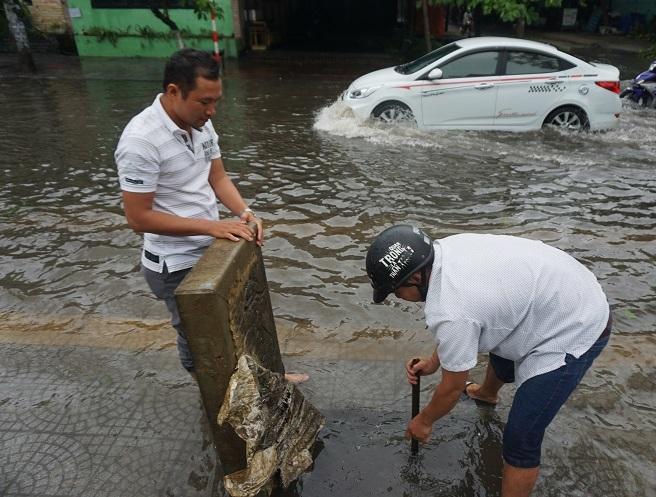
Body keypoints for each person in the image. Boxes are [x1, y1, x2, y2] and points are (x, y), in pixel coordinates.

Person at [366, 225, 612, 497]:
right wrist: (435, 361)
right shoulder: (444, 252)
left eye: (395, 290)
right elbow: (471, 321)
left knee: (521, 437)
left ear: (414, 278)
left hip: (576, 324)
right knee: (499, 334)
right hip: (557, 290)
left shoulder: (452, 309)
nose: (397, 297)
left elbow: (452, 387)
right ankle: (486, 394)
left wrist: (423, 421)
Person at [115, 49, 306, 383]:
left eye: (216, 101)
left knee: (240, 317)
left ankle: (262, 379)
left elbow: (217, 177)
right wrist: (214, 226)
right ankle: (215, 397)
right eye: (204, 102)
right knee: (201, 340)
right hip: (174, 263)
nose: (212, 110)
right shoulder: (140, 141)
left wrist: (245, 213)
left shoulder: (200, 124)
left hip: (212, 247)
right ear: (174, 92)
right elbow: (139, 218)